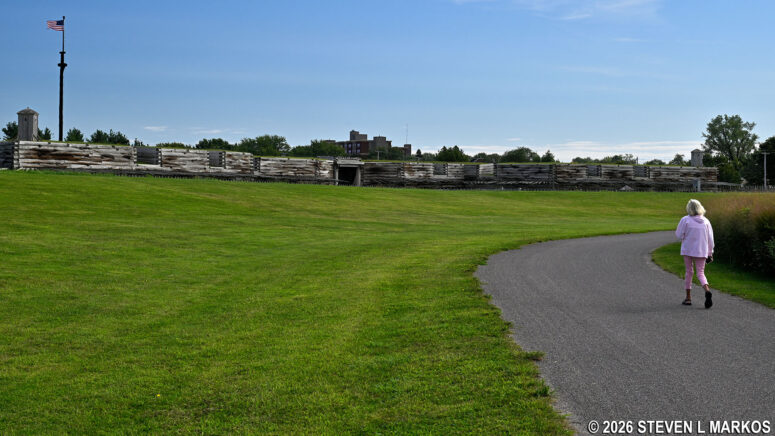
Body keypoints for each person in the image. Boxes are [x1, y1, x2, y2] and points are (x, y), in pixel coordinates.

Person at [675, 199, 715, 308]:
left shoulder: (685, 220)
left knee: (689, 272)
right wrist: (710, 253)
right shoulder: (706, 221)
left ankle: (688, 298)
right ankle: (707, 290)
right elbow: (710, 239)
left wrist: (685, 236)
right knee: (700, 273)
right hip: (701, 250)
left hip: (688, 249)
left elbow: (678, 235)